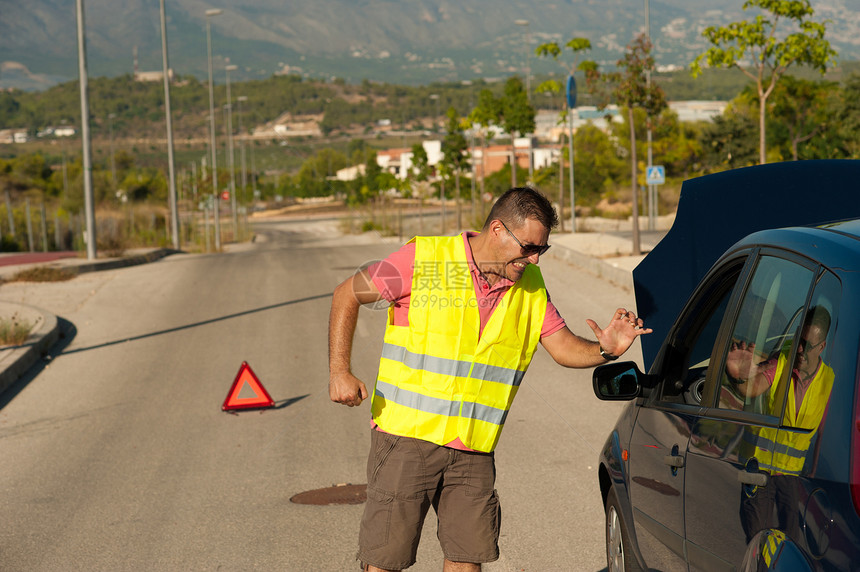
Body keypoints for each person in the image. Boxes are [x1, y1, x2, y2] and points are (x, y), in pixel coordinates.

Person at [329, 187, 651, 572]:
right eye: (529, 247)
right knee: (386, 561)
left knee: (468, 560)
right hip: (405, 438)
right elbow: (346, 294)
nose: (534, 259)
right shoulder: (427, 260)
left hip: (473, 448)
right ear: (497, 230)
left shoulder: (531, 286)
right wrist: (339, 371)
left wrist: (607, 351)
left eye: (541, 250)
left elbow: (563, 347)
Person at [726, 306, 835, 541]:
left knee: (792, 544)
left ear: (822, 346)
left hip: (792, 478)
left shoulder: (829, 381)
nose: (801, 350)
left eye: (808, 345)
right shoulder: (782, 360)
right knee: (758, 541)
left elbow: (826, 437)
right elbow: (752, 388)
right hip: (760, 470)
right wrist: (740, 376)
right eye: (799, 341)